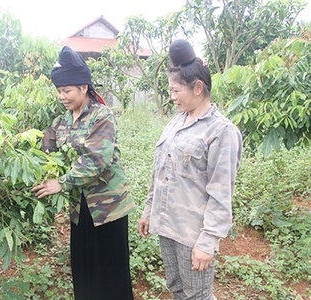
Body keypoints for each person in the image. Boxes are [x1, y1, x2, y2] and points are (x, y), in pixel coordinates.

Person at [138, 39, 243, 300]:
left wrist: (207, 242)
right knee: (177, 290)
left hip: (193, 235)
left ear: (198, 88)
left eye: (176, 91)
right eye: (170, 90)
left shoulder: (221, 131)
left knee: (198, 296)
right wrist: (149, 210)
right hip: (167, 226)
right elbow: (159, 172)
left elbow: (221, 194)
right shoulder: (175, 123)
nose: (171, 97)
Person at [32, 46, 136, 300]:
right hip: (80, 210)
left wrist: (62, 182)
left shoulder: (102, 116)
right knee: (84, 270)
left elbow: (96, 160)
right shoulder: (61, 122)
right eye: (58, 91)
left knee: (111, 275)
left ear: (83, 88)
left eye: (66, 90)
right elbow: (46, 149)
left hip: (107, 209)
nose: (61, 96)